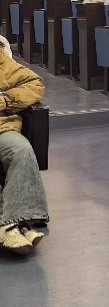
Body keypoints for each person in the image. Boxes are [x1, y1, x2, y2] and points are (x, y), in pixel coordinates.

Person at [0, 49, 49, 256]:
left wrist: (7, 100)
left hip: (2, 129)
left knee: (22, 149)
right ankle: (13, 225)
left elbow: (35, 83)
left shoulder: (2, 62)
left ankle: (13, 223)